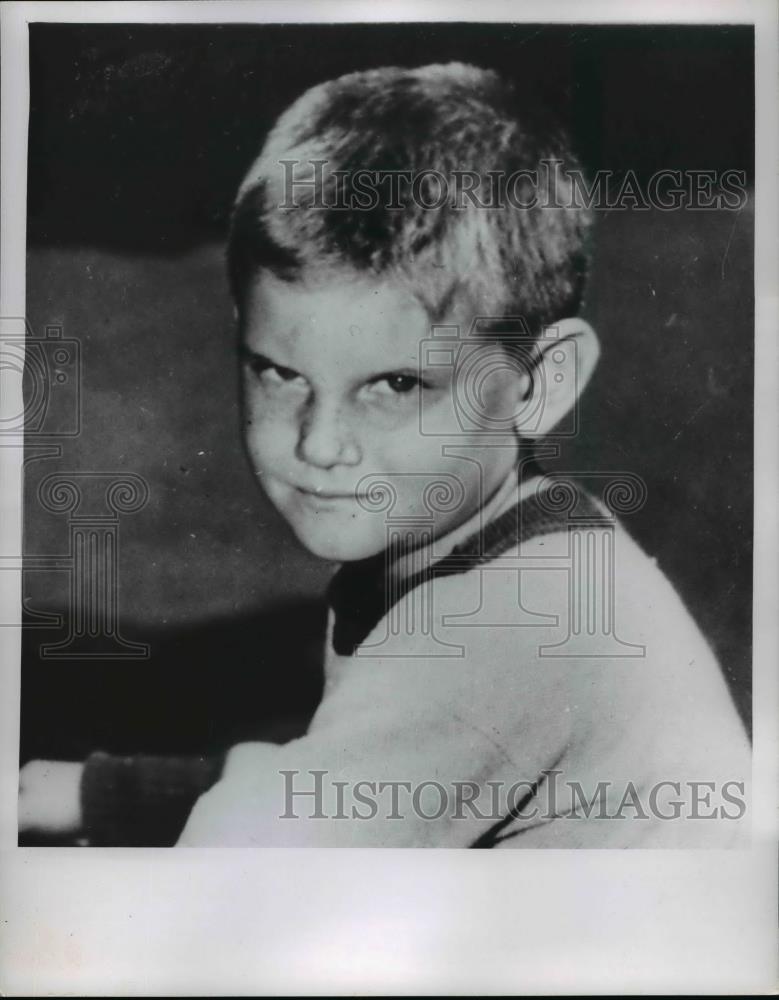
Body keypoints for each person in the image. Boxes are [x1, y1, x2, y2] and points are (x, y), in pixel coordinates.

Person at [21, 62, 750, 847]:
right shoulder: (517, 548)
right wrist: (111, 795)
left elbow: (255, 864)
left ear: (541, 381)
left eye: (396, 384)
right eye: (279, 373)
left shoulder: (502, 629)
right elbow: (351, 780)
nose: (318, 443)